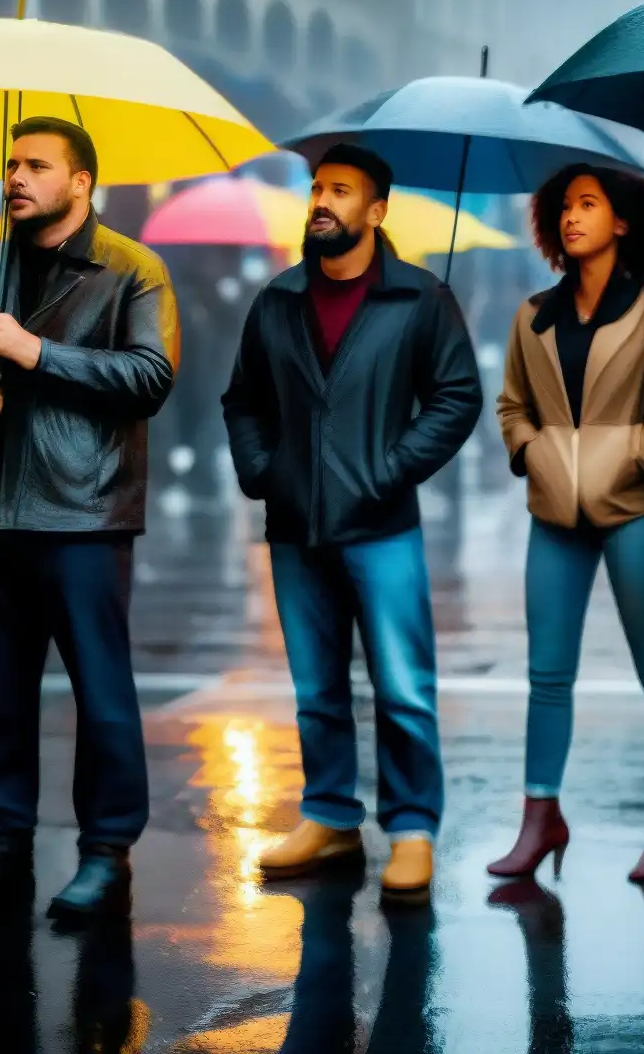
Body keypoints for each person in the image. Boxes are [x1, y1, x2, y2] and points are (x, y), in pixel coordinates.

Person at [0, 117, 177, 922]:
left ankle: (105, 853)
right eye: (11, 163)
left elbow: (150, 377)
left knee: (101, 695)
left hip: (85, 512)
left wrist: (35, 353)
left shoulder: (131, 269)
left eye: (36, 165)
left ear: (82, 182)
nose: (15, 177)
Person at [222, 144, 482, 907]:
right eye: (316, 189)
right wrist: (263, 472)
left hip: (383, 526)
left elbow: (456, 398)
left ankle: (411, 829)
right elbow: (243, 400)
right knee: (317, 689)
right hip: (296, 526)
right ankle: (331, 817)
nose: (322, 202)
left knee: (403, 688)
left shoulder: (420, 299)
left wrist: (390, 469)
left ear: (376, 211)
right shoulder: (277, 298)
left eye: (340, 191)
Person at [490, 163, 644, 884]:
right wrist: (533, 451)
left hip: (640, 509)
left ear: (623, 223)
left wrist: (630, 455)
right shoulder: (533, 315)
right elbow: (513, 404)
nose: (572, 218)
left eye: (589, 205)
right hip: (553, 514)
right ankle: (539, 817)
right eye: (564, 207)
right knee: (546, 675)